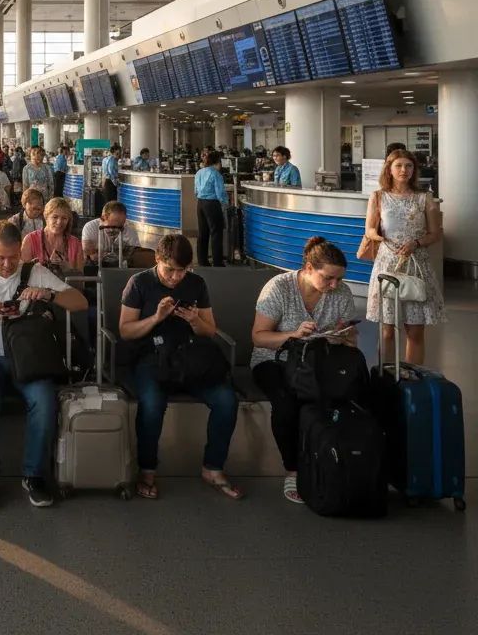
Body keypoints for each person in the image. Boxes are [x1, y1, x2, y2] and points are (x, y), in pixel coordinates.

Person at [0, 220, 86, 508]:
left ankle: (34, 474)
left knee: (44, 401)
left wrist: (48, 294)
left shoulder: (34, 272)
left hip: (28, 358)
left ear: (21, 253)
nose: (6, 264)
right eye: (0, 257)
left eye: (13, 258)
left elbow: (80, 302)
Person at [119, 234, 242, 502]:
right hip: (151, 357)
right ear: (157, 260)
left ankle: (213, 466)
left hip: (190, 358)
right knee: (152, 404)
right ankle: (147, 469)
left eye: (182, 271)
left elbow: (209, 331)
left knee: (226, 400)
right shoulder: (139, 283)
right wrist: (156, 318)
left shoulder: (196, 284)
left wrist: (195, 321)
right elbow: (126, 331)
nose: (176, 277)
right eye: (170, 270)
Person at [250, 237, 359, 504]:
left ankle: (331, 457)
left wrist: (343, 337)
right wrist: (293, 335)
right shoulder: (279, 287)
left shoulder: (340, 292)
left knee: (344, 396)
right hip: (274, 359)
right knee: (287, 402)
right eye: (328, 278)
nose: (334, 285)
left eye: (338, 279)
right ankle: (293, 469)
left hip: (318, 362)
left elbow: (351, 340)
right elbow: (258, 337)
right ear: (309, 268)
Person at [364, 149, 444, 365]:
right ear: (389, 169)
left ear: (414, 170)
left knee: (415, 331)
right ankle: (386, 376)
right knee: (387, 330)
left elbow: (436, 233)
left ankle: (413, 376)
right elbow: (369, 229)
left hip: (417, 264)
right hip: (387, 262)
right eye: (399, 166)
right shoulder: (378, 196)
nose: (404, 170)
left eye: (409, 166)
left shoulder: (424, 197)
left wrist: (416, 243)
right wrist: (381, 239)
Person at [21, 196, 84, 274]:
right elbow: (23, 276)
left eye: (64, 218)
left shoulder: (75, 243)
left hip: (67, 286)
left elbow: (81, 282)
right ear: (46, 217)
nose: (59, 222)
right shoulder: (30, 240)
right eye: (55, 217)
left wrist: (68, 269)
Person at [81, 201, 140, 267]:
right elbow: (90, 255)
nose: (112, 230)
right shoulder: (90, 227)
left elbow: (134, 255)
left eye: (119, 227)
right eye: (110, 226)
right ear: (102, 218)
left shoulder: (129, 227)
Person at [194, 150, 227, 267]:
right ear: (218, 161)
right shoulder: (216, 174)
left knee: (203, 233)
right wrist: (224, 204)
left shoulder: (199, 172)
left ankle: (202, 261)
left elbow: (195, 191)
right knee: (216, 233)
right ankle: (217, 261)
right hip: (212, 204)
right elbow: (220, 193)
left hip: (200, 204)